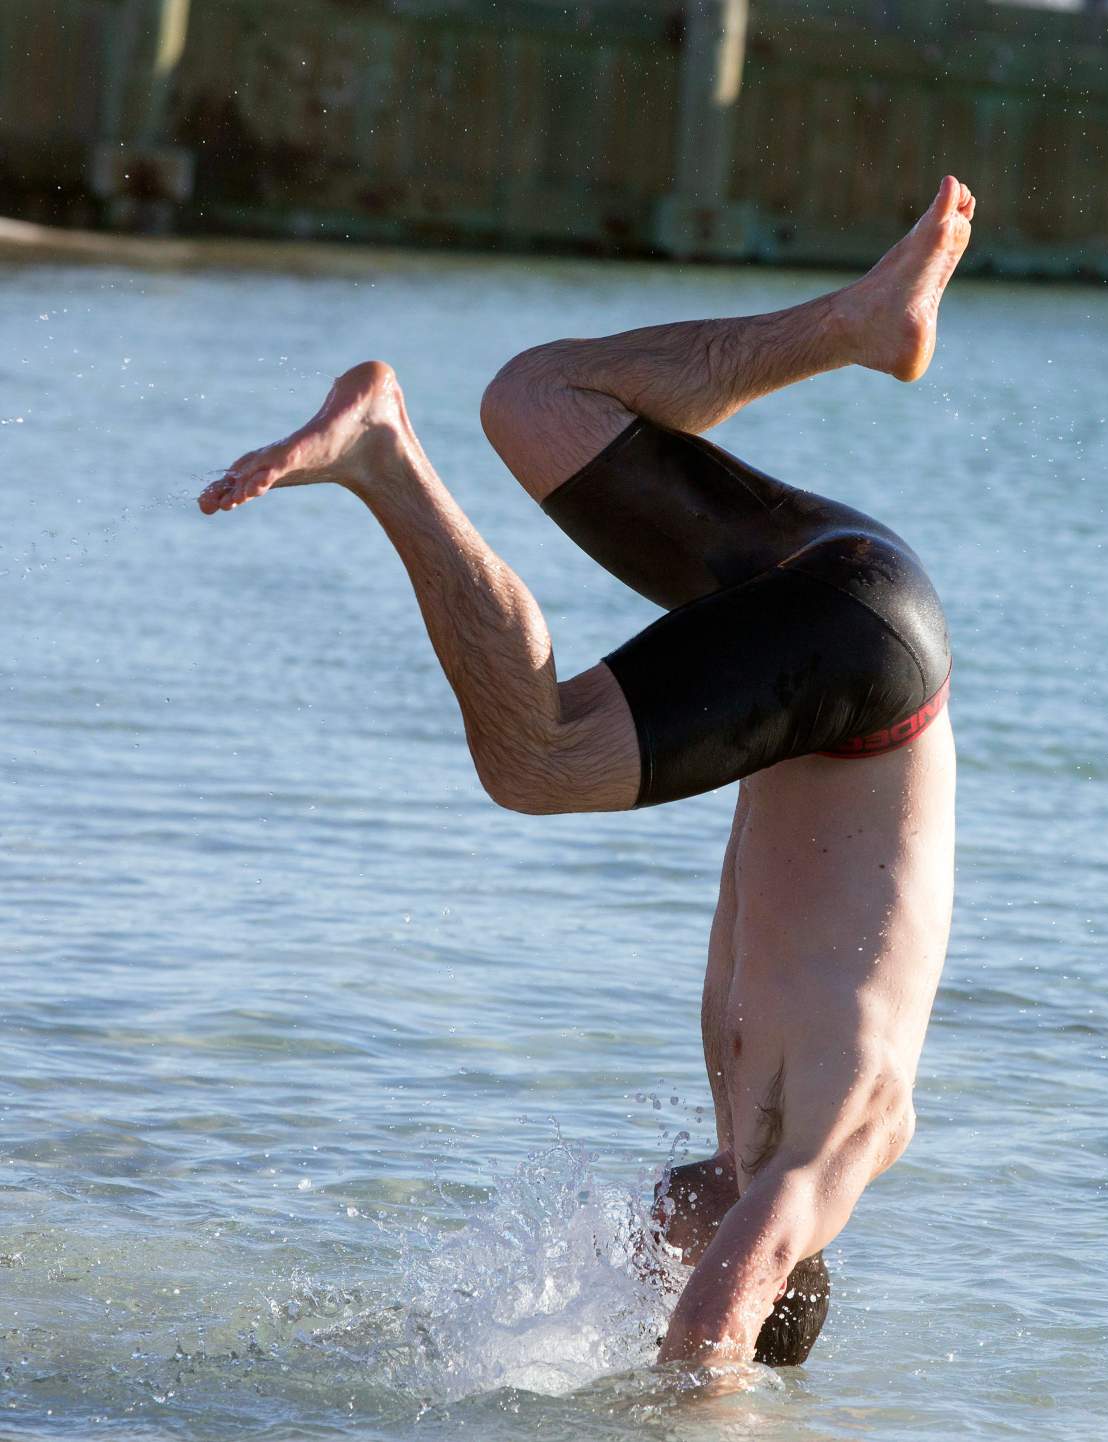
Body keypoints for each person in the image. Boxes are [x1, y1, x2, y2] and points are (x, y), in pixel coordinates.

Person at [198, 175, 975, 1367]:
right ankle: (388, 459)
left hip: (839, 604)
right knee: (537, 758)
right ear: (774, 1273)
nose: (655, 1239)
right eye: (684, 1251)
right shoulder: (827, 1158)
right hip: (865, 668)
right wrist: (697, 1399)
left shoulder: (743, 1107)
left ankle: (860, 323)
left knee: (537, 397)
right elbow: (714, 1326)